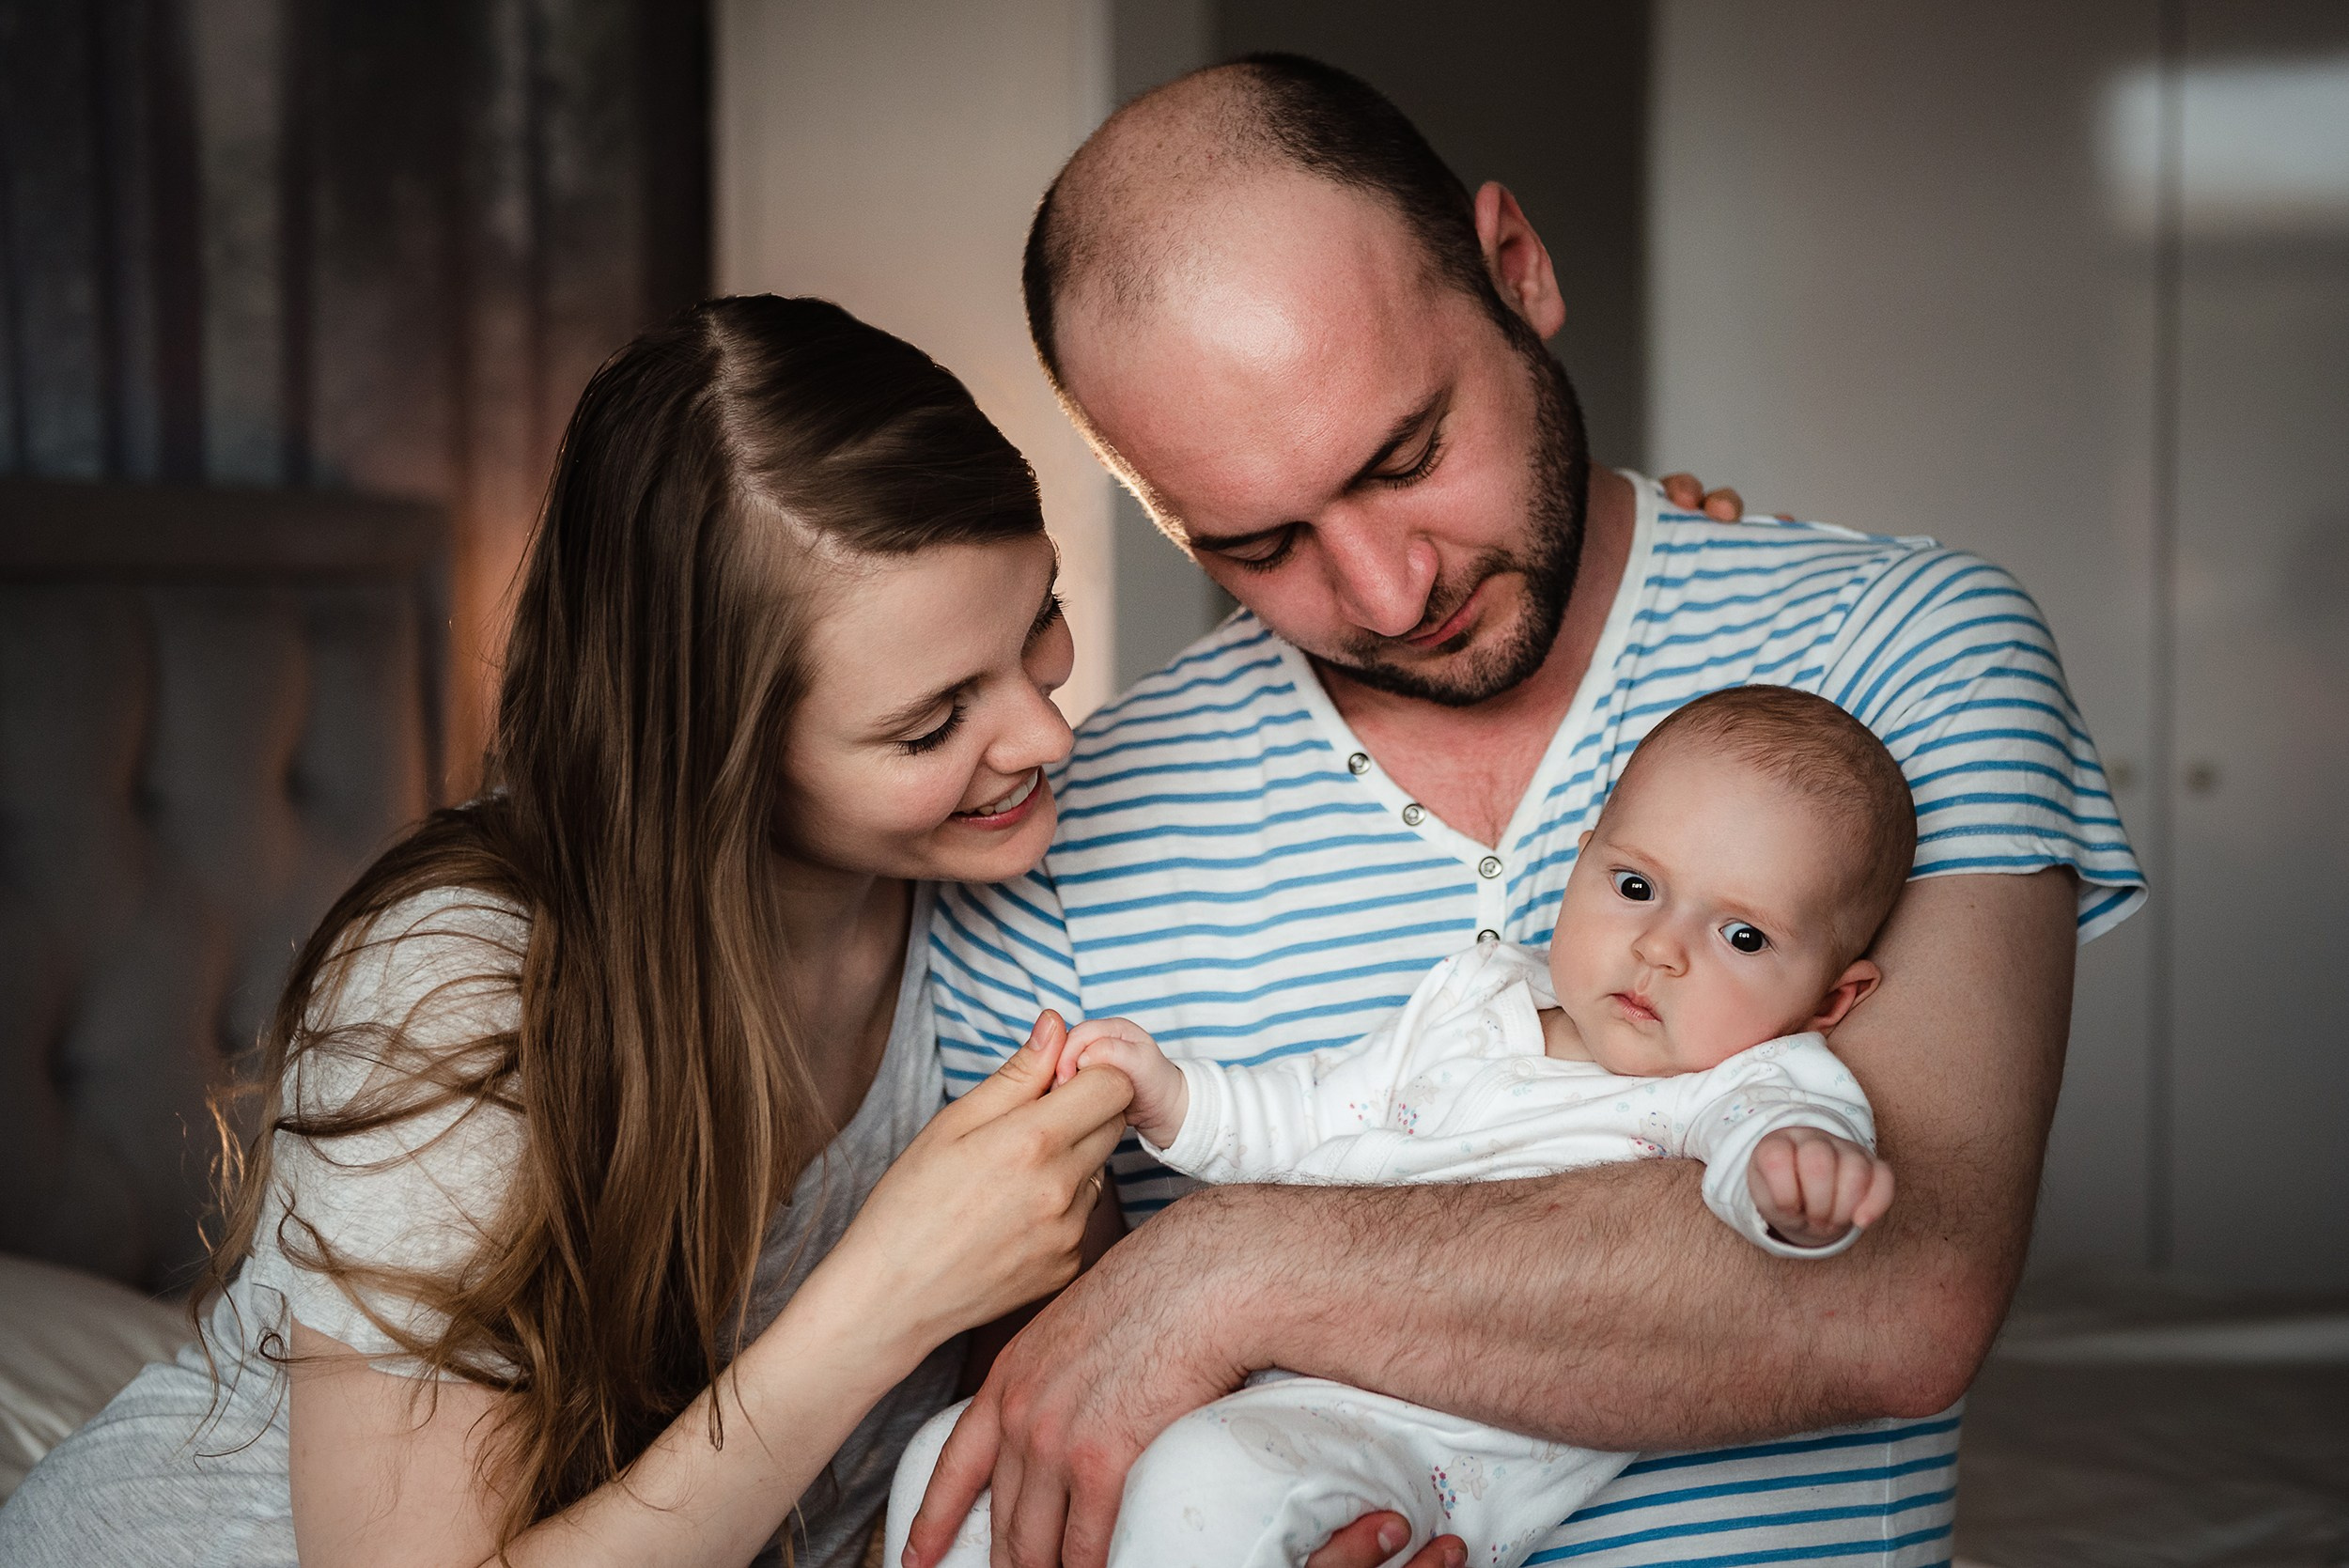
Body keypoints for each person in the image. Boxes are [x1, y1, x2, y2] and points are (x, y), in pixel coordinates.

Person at [910, 54, 2146, 1568]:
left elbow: (1897, 1292)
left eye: (1408, 457)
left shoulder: (1904, 651)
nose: (1387, 594)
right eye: (1258, 543)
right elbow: (1055, 1439)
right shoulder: (1043, 842)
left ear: (1518, 269)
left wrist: (1222, 1267)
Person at [0, 295, 1143, 1568]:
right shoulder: (458, 993)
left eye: (1038, 622)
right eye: (931, 724)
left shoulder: (1011, 908)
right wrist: (885, 1296)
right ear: (715, 752)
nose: (1047, 735)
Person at [893, 686, 1911, 1568]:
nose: (1662, 948)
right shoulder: (1476, 996)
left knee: (1208, 1480)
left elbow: (1764, 1145)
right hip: (1251, 1379)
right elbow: (1313, 1110)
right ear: (1582, 862)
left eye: (1742, 935)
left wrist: (1798, 1180)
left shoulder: (1751, 1079)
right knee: (951, 1450)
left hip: (1428, 1443)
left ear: (1831, 998)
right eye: (1636, 887)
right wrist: (1174, 1095)